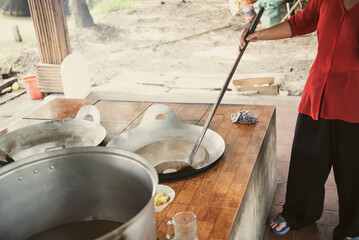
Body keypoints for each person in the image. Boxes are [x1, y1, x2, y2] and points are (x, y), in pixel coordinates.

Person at [239, 0, 359, 239]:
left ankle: (353, 228)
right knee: (307, 159)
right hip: (319, 93)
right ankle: (298, 213)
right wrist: (258, 34)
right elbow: (298, 23)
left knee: (353, 169)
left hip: (354, 101)